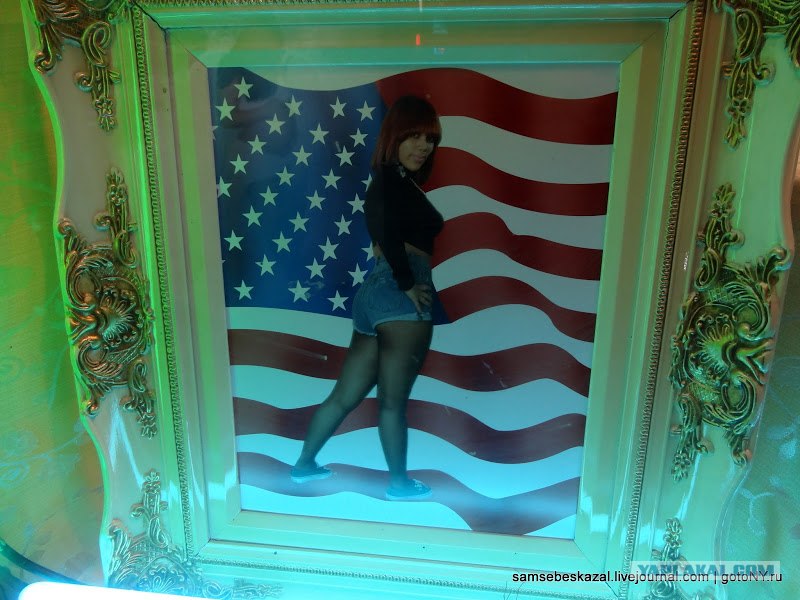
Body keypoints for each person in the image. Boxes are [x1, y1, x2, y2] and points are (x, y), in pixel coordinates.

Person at [290, 95, 444, 500]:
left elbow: (384, 227)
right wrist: (407, 281)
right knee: (392, 403)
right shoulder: (390, 183)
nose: (423, 146)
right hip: (399, 296)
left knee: (345, 395)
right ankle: (399, 484)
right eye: (413, 136)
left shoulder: (394, 182)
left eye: (429, 139)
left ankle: (304, 464)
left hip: (374, 297)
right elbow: (385, 229)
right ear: (394, 137)